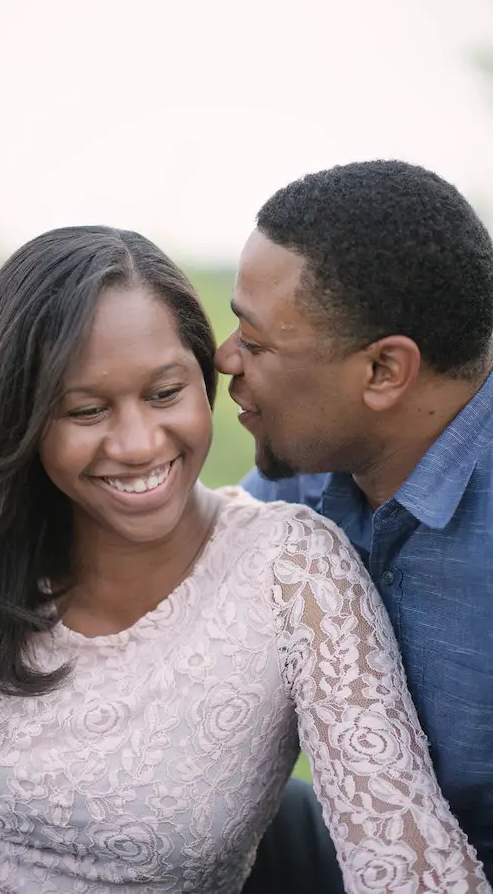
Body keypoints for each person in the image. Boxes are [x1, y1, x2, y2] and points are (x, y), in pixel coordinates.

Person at [0, 226, 489, 894]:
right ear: (23, 421)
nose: (140, 442)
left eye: (165, 393)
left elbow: (410, 866)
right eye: (87, 410)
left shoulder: (293, 575)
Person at [213, 159, 493, 892]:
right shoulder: (314, 461)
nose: (222, 358)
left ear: (382, 372)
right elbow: (196, 568)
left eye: (256, 341)